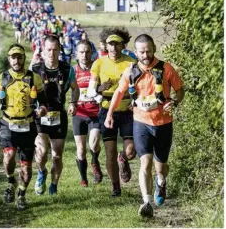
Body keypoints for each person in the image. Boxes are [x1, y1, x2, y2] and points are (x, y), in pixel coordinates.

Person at [104, 34, 184, 217]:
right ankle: (146, 202)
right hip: (141, 122)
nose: (145, 55)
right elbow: (119, 92)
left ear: (154, 48)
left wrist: (176, 102)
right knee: (145, 162)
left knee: (160, 167)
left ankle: (161, 183)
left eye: (148, 51)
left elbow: (180, 90)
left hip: (163, 123)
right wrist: (109, 114)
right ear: (136, 52)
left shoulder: (166, 69)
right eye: (141, 52)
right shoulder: (131, 71)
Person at [0, 44, 48, 210]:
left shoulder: (34, 78)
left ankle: (21, 194)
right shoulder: (2, 78)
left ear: (24, 58)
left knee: (26, 167)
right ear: (9, 59)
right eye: (13, 57)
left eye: (19, 57)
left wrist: (42, 109)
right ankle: (10, 180)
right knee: (9, 155)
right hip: (7, 123)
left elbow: (43, 100)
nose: (17, 60)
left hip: (28, 124)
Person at [87, 27, 137, 197]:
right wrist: (100, 89)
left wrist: (135, 101)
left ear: (123, 45)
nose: (114, 48)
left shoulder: (131, 62)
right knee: (109, 151)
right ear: (105, 46)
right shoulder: (98, 63)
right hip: (107, 110)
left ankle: (123, 158)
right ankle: (116, 187)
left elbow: (139, 86)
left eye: (117, 45)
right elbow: (90, 92)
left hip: (127, 111)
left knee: (131, 151)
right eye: (110, 45)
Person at [31, 34, 80, 195]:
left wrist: (73, 103)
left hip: (59, 115)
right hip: (40, 116)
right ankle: (41, 172)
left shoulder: (67, 69)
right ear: (43, 51)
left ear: (59, 50)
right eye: (48, 50)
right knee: (42, 151)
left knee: (57, 156)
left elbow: (75, 88)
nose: (51, 53)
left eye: (55, 50)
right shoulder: (36, 69)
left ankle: (53, 184)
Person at [72, 40, 103, 187]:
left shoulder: (97, 68)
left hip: (95, 113)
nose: (84, 55)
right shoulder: (73, 71)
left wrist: (101, 89)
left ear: (92, 53)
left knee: (94, 141)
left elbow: (104, 87)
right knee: (81, 149)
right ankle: (83, 178)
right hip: (79, 113)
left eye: (87, 52)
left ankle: (95, 162)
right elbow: (65, 90)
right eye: (81, 52)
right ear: (76, 54)